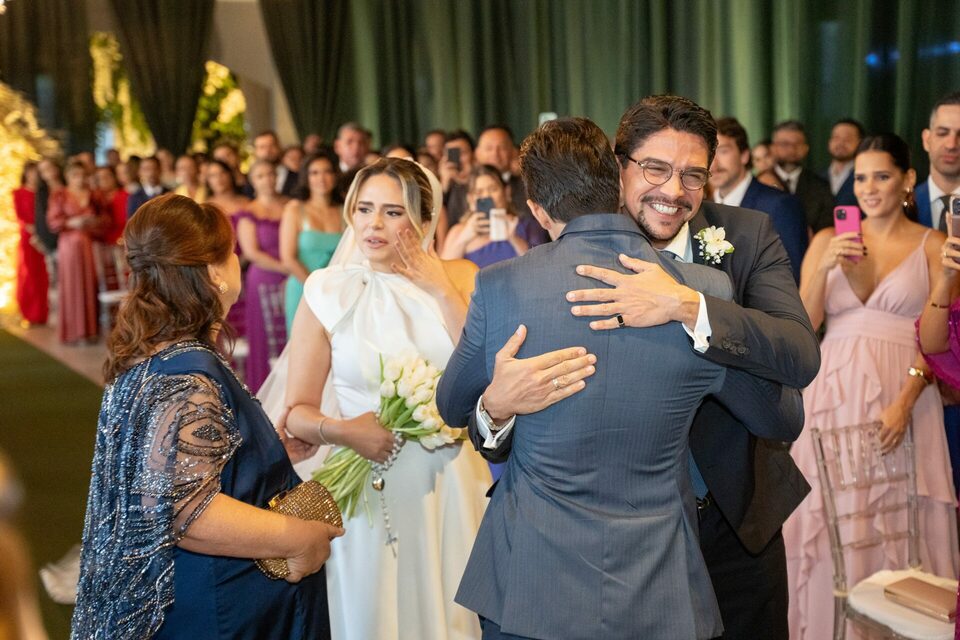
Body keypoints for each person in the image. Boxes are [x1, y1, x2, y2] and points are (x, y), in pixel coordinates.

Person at [437, 116, 805, 640]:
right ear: (617, 181)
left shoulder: (501, 285)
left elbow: (451, 405)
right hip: (657, 582)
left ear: (537, 210)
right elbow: (781, 416)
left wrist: (492, 404)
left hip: (530, 578)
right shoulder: (700, 288)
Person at [71, 193, 342, 639]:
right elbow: (185, 510)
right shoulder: (188, 374)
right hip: (218, 608)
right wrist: (298, 538)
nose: (237, 262)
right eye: (231, 252)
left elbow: (162, 468)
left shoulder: (155, 355)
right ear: (214, 273)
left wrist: (262, 452)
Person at [278, 158, 490, 639]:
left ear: (425, 218)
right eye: (364, 208)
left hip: (452, 481)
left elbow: (483, 372)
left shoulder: (462, 277)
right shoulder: (326, 291)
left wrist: (439, 289)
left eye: (393, 212)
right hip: (367, 490)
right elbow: (297, 414)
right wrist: (345, 431)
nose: (373, 224)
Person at [784, 133, 959, 640]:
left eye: (882, 176)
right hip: (832, 395)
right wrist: (824, 268)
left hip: (904, 396)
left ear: (907, 180)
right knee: (831, 519)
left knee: (902, 517)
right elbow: (804, 325)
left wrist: (906, 400)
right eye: (861, 178)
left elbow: (938, 339)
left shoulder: (933, 244)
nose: (869, 188)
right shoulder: (827, 239)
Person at [710, 117, 808, 281]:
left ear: (744, 155)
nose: (714, 163)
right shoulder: (702, 207)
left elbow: (791, 276)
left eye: (723, 151)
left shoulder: (779, 205)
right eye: (708, 153)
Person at [237, 161, 289, 390]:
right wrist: (286, 268)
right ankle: (266, 390)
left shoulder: (291, 205)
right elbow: (251, 252)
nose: (267, 179)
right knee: (266, 340)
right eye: (260, 176)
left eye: (270, 174)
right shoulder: (248, 212)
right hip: (264, 280)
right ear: (253, 181)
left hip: (294, 277)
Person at [47, 161, 111, 343]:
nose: (80, 179)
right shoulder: (60, 195)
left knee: (89, 284)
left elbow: (106, 218)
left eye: (83, 175)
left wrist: (93, 222)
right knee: (71, 284)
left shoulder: (94, 195)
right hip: (69, 245)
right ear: (68, 176)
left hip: (89, 244)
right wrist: (70, 222)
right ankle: (72, 331)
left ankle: (90, 330)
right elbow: (52, 221)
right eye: (75, 175)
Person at [279, 152, 343, 332]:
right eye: (314, 173)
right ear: (306, 178)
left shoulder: (345, 211)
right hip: (303, 290)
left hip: (337, 292)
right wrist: (315, 290)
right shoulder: (294, 209)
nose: (321, 178)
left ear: (335, 175)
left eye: (327, 171)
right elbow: (288, 258)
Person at [474, 125, 549, 247]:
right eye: (489, 148)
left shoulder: (530, 183)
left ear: (514, 151)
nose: (495, 154)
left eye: (502, 148)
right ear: (477, 153)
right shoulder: (465, 185)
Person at [441, 164, 528, 269]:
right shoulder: (458, 232)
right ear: (470, 199)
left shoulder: (525, 225)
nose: (487, 196)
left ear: (506, 192)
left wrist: (514, 239)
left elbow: (535, 266)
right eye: (479, 192)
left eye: (493, 189)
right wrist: (464, 237)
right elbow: (444, 272)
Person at [207, 159, 254, 340]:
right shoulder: (205, 207)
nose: (218, 179)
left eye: (222, 173)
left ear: (230, 175)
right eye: (213, 175)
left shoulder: (247, 203)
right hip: (218, 274)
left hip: (249, 267)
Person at [771, 120, 834, 233]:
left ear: (806, 148)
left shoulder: (820, 186)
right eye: (785, 144)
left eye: (797, 144)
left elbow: (827, 226)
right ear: (773, 148)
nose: (791, 149)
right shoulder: (760, 181)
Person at [13, 162, 49, 326]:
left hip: (43, 237)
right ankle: (29, 313)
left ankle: (42, 313)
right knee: (29, 275)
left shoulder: (42, 193)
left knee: (42, 277)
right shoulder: (19, 193)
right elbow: (20, 216)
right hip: (28, 238)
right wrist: (34, 232)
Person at [824, 118, 864, 206]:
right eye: (836, 138)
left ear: (860, 143)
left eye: (848, 139)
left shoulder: (865, 177)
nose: (840, 143)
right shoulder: (817, 177)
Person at [96, 165, 128, 245]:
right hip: (101, 244)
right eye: (100, 178)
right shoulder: (95, 198)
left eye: (107, 176)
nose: (104, 180)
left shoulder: (126, 196)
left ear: (115, 177)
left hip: (122, 242)